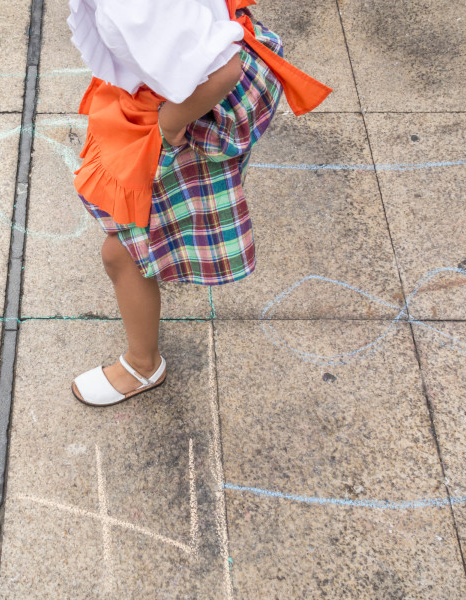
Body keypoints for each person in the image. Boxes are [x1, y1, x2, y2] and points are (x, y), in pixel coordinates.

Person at [68, 0, 331, 406]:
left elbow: (223, 70)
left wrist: (168, 125)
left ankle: (143, 364)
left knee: (122, 252)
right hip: (189, 93)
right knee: (144, 224)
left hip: (189, 108)